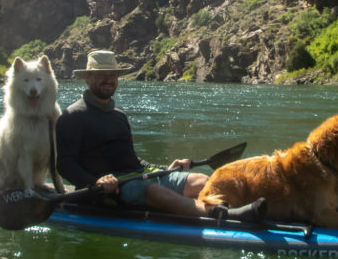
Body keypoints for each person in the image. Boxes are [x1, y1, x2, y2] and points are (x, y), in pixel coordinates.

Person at [55, 50, 266, 222]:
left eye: (113, 74)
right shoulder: (73, 116)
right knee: (153, 191)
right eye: (102, 74)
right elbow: (65, 164)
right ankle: (220, 213)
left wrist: (165, 169)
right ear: (88, 78)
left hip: (138, 174)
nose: (109, 79)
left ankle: (252, 208)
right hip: (109, 192)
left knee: (201, 180)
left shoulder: (119, 116)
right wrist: (96, 182)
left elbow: (134, 161)